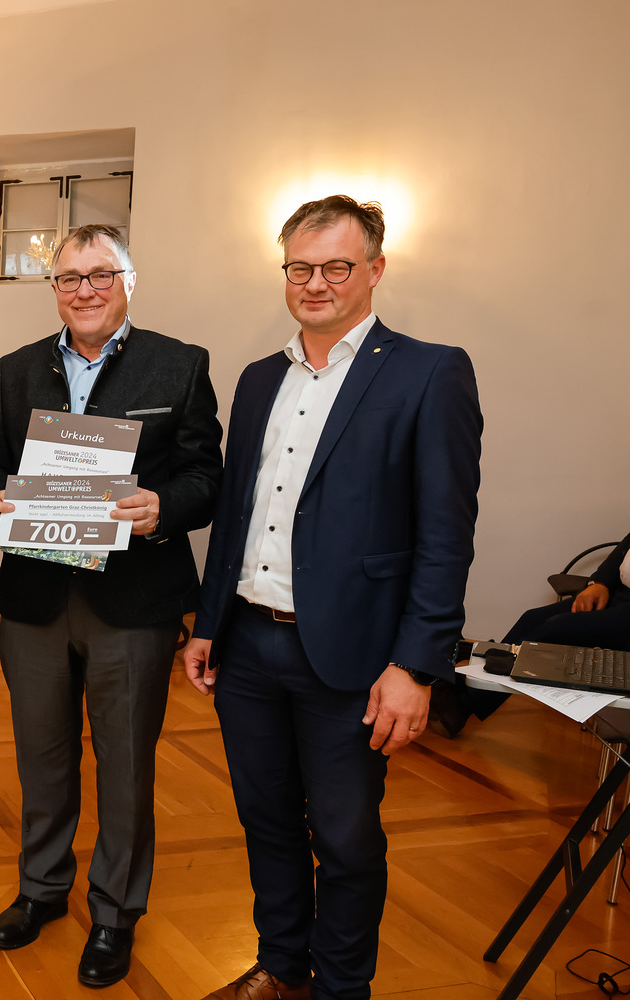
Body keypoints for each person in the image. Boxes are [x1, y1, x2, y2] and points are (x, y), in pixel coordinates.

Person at [184, 195, 483, 1000]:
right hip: (249, 647)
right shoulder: (258, 379)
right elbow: (237, 513)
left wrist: (416, 667)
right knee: (266, 821)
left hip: (354, 658)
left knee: (347, 842)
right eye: (301, 268)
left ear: (375, 270)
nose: (315, 283)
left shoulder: (429, 372)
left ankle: (341, 990)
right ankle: (281, 969)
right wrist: (209, 624)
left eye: (337, 267)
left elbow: (445, 537)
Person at [0, 224, 223, 987]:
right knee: (40, 755)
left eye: (100, 275)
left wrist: (164, 507)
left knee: (125, 765)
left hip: (133, 600)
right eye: (69, 277)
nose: (84, 290)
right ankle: (42, 889)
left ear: (126, 283)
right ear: (54, 289)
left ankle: (115, 912)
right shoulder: (17, 369)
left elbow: (207, 477)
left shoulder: (179, 365)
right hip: (36, 597)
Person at [433, 529, 630, 736]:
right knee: (532, 618)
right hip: (618, 594)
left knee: (555, 629)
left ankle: (463, 704)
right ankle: (462, 688)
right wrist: (599, 583)